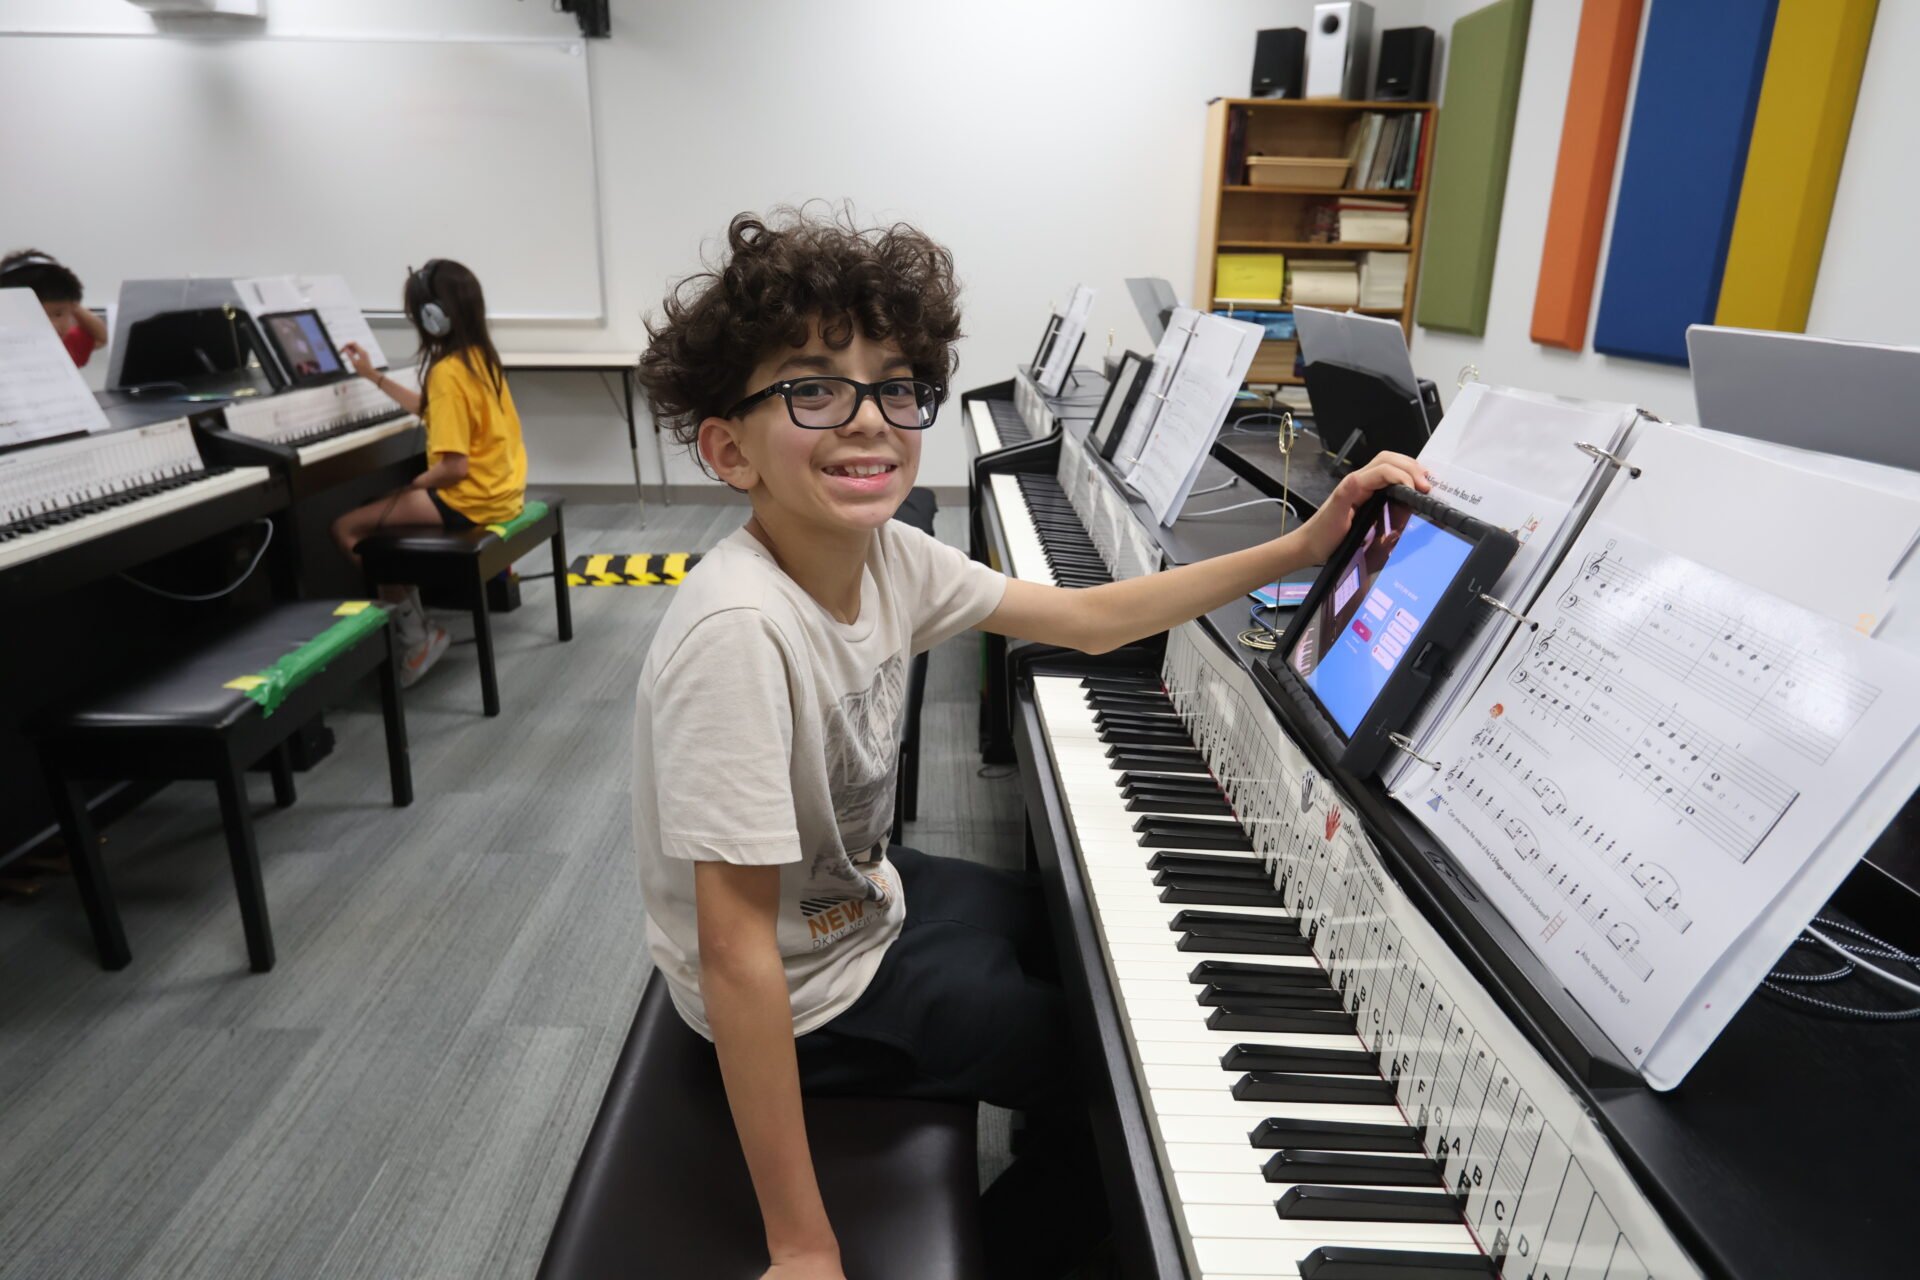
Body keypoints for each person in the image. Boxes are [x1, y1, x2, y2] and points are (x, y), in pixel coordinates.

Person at [632, 206, 1426, 1280]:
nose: (869, 419)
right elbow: (737, 955)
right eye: (813, 388)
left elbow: (1096, 618)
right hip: (809, 981)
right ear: (730, 448)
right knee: (1108, 1062)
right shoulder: (740, 634)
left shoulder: (891, 558)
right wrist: (803, 1243)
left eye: (896, 384)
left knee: (1079, 927)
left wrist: (1303, 540)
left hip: (855, 898)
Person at [332, 259, 528, 687]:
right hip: (502, 491)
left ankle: (417, 637)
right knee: (378, 511)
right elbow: (433, 409)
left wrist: (412, 485)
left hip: (470, 499)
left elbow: (454, 468)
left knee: (349, 528)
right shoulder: (479, 359)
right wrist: (372, 376)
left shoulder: (446, 372)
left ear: (431, 317)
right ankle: (416, 620)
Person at [1, 249, 109, 366]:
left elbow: (101, 338)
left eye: (58, 314)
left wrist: (74, 304)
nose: (53, 325)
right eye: (38, 315)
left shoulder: (67, 345)